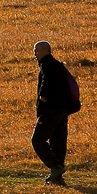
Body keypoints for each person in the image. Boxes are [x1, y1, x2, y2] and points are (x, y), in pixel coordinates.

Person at [32, 40, 79, 185]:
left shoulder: (47, 64)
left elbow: (47, 81)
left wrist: (43, 95)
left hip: (51, 110)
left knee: (37, 140)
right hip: (62, 110)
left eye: (36, 50)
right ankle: (57, 178)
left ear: (45, 51)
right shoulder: (58, 65)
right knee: (58, 142)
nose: (35, 54)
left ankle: (55, 167)